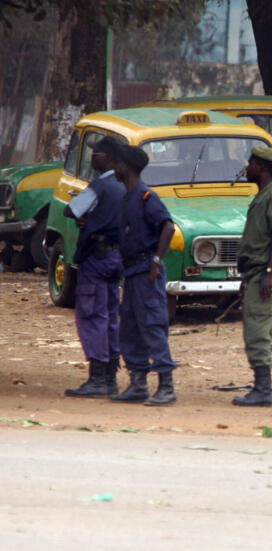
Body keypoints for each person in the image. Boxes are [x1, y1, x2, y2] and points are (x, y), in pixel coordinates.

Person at [110, 144, 178, 406]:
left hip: (146, 271)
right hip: (133, 272)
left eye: (117, 164)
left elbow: (168, 227)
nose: (114, 168)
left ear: (126, 167)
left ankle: (166, 385)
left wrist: (157, 262)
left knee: (152, 326)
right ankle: (138, 383)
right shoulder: (128, 198)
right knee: (130, 327)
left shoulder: (146, 196)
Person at [64, 136, 126, 398]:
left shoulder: (100, 186)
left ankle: (97, 379)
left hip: (96, 258)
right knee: (111, 315)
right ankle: (111, 377)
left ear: (109, 159)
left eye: (96, 154)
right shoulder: (125, 186)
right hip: (117, 257)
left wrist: (88, 219)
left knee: (92, 314)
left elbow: (72, 209)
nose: (92, 158)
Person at [232, 146, 272, 407]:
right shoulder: (264, 196)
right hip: (256, 272)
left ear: (263, 168)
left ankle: (263, 389)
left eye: (251, 163)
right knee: (256, 327)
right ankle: (261, 386)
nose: (247, 167)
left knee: (257, 330)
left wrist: (269, 271)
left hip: (266, 272)